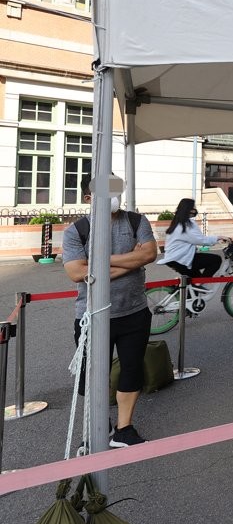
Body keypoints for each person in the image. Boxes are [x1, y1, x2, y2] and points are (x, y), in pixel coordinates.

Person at [62, 174, 157, 448]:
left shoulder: (137, 221)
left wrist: (98, 261)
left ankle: (124, 429)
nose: (114, 198)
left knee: (131, 370)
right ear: (89, 199)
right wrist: (131, 261)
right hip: (91, 316)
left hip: (134, 311)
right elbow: (77, 273)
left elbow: (149, 254)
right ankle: (98, 425)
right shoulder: (76, 231)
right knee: (93, 376)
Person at [158, 198, 231, 285]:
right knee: (216, 260)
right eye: (193, 208)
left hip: (175, 258)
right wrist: (219, 237)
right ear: (188, 210)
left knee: (195, 283)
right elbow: (200, 240)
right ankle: (199, 285)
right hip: (180, 259)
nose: (195, 210)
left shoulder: (178, 222)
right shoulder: (185, 225)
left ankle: (193, 292)